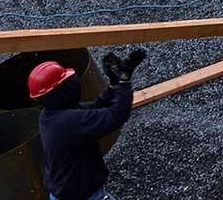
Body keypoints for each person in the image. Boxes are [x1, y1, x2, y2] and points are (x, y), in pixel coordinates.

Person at [30, 48, 146, 200]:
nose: (73, 84)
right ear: (60, 91)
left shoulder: (50, 115)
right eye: (67, 83)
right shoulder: (67, 122)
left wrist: (114, 84)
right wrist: (125, 79)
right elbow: (117, 114)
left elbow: (97, 106)